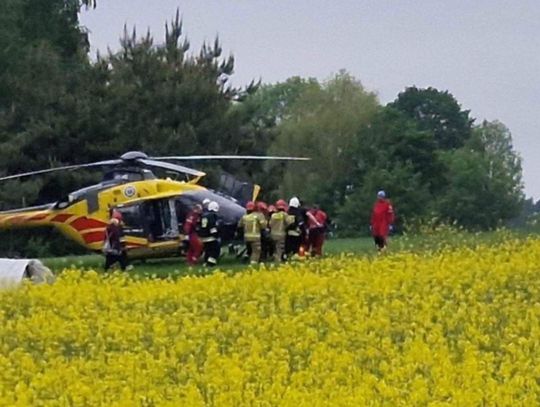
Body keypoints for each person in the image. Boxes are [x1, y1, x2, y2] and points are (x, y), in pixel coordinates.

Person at [198, 201, 221, 266]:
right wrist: (216, 235)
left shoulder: (204, 215)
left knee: (207, 251)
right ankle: (210, 263)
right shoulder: (212, 216)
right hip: (210, 237)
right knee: (215, 250)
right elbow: (212, 227)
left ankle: (206, 262)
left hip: (203, 237)